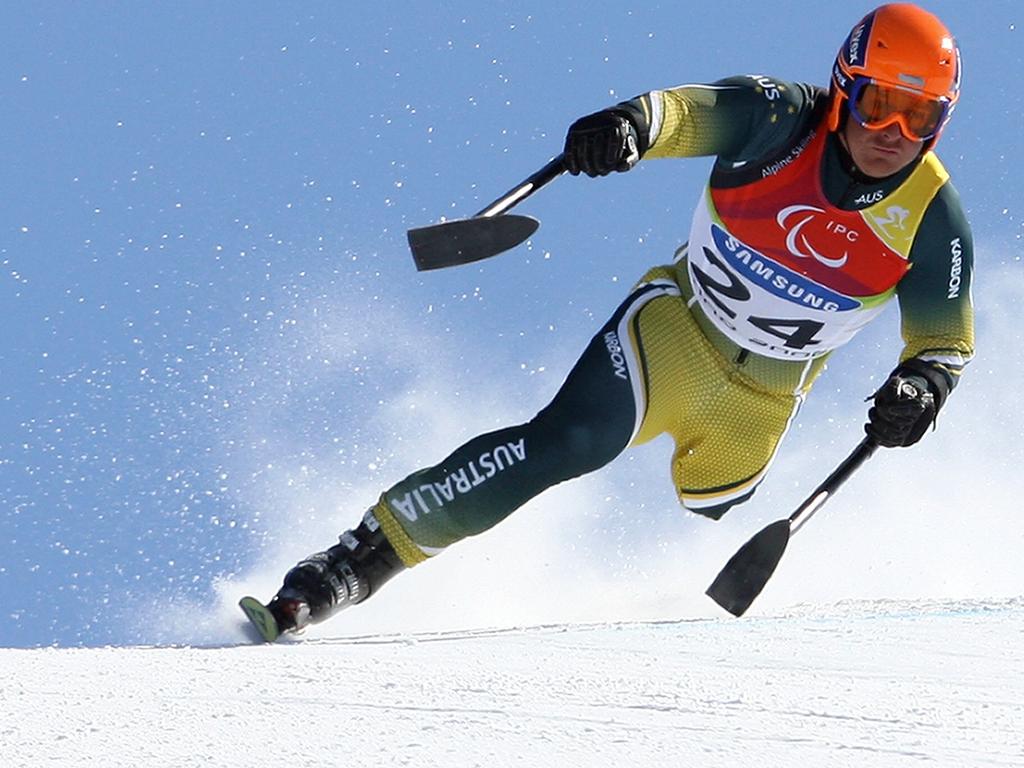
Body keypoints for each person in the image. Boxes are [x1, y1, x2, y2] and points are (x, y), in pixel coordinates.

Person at [256, 3, 974, 634]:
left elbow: (943, 344)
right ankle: (355, 562)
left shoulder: (933, 221)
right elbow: (683, 113)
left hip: (761, 408)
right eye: (880, 103)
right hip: (676, 334)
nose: (894, 132)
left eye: (922, 116)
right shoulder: (780, 120)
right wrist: (626, 128)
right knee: (572, 440)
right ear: (845, 88)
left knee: (703, 532)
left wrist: (921, 392)